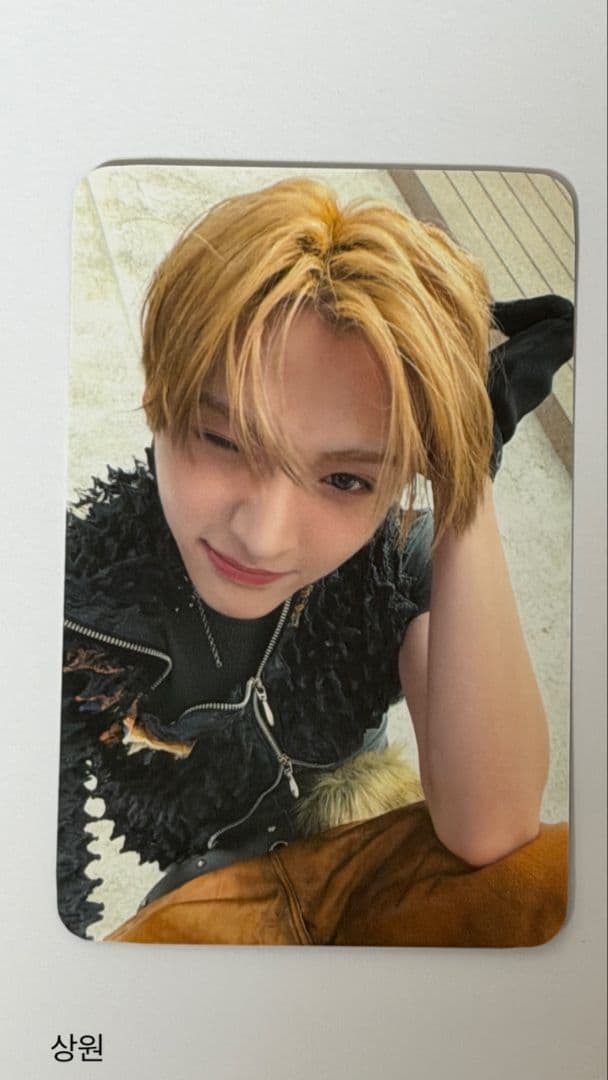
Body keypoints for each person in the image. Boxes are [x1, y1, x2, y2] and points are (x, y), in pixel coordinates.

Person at [59, 178, 573, 941]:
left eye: (345, 479)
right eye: (223, 440)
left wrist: (468, 471)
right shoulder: (71, 602)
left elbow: (490, 827)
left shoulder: (391, 567)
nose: (264, 537)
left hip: (355, 845)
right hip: (203, 896)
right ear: (159, 396)